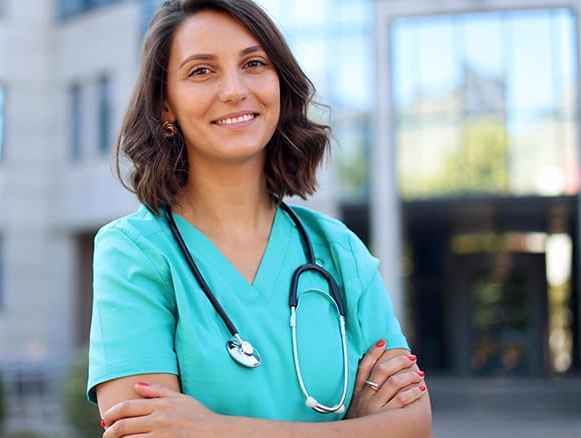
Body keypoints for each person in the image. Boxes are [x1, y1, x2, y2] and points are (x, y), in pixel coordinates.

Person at [87, 0, 432, 436]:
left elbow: (414, 425)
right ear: (164, 107)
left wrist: (215, 429)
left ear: (280, 86)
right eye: (201, 71)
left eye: (253, 64)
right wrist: (357, 428)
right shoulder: (134, 252)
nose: (234, 90)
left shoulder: (339, 250)